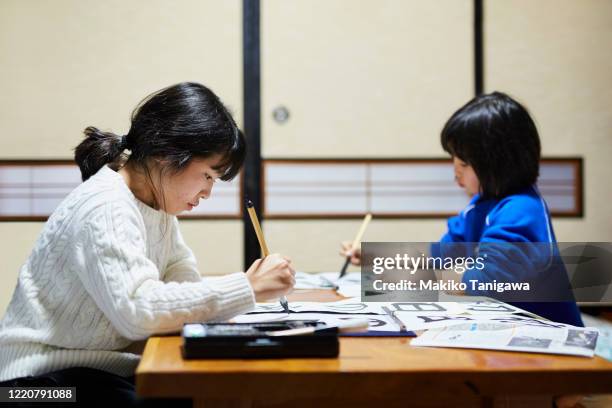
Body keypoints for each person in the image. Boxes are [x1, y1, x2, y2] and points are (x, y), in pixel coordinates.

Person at [0, 82, 295, 407]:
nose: (208, 193)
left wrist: (239, 292)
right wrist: (247, 286)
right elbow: (139, 311)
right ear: (166, 155)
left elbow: (180, 286)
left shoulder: (155, 208)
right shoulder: (107, 206)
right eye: (208, 176)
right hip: (34, 384)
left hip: (95, 373)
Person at [341, 91, 582, 327]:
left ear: (500, 163)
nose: (455, 171)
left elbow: (486, 280)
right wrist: (374, 257)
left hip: (545, 335)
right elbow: (440, 256)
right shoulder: (479, 206)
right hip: (501, 330)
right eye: (454, 160)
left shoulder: (521, 210)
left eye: (464, 163)